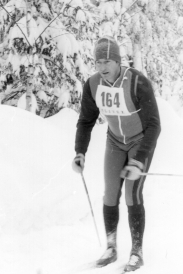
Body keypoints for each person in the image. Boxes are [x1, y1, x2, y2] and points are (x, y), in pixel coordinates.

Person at [72, 36, 161, 272]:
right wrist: (79, 152)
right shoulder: (92, 84)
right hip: (114, 141)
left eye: (107, 61)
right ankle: (111, 248)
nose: (102, 67)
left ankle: (137, 251)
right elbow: (86, 120)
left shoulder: (136, 81)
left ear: (117, 61)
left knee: (133, 194)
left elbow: (154, 124)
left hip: (139, 141)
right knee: (110, 194)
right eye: (98, 61)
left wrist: (139, 160)